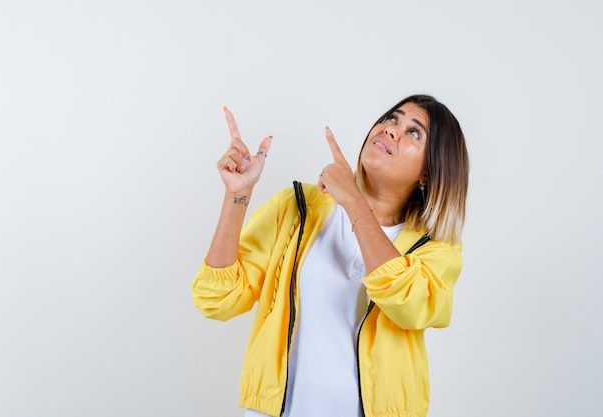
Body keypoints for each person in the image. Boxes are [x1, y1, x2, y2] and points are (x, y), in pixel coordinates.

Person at [191, 94, 469, 417]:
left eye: (414, 132)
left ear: (428, 173)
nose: (392, 129)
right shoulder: (298, 208)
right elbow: (217, 299)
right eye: (392, 118)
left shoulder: (436, 249)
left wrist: (353, 200)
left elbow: (407, 301)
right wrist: (237, 196)